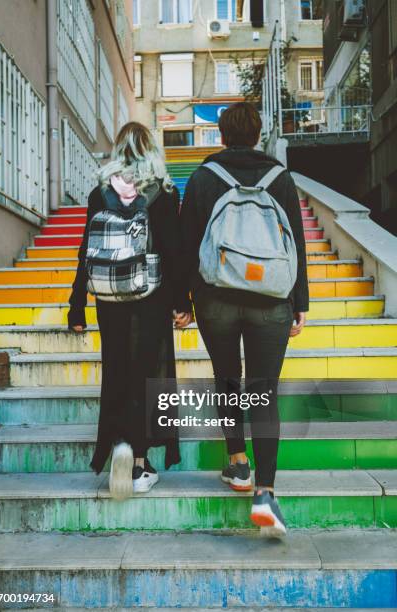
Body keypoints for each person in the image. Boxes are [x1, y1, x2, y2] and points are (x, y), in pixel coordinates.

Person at [180, 102, 309, 536]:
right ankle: (266, 493)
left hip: (216, 297)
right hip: (272, 298)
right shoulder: (280, 178)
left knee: (228, 381)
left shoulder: (202, 178)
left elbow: (186, 245)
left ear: (221, 135)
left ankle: (239, 465)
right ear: (257, 134)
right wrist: (300, 301)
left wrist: (183, 301)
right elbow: (297, 242)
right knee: (263, 392)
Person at [68, 122, 192, 499]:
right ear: (152, 150)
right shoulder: (165, 193)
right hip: (151, 295)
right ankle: (138, 463)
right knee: (148, 373)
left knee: (118, 368)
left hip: (109, 298)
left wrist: (77, 305)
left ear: (118, 150)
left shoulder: (99, 192)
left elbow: (85, 251)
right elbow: (173, 252)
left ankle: (120, 443)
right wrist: (182, 302)